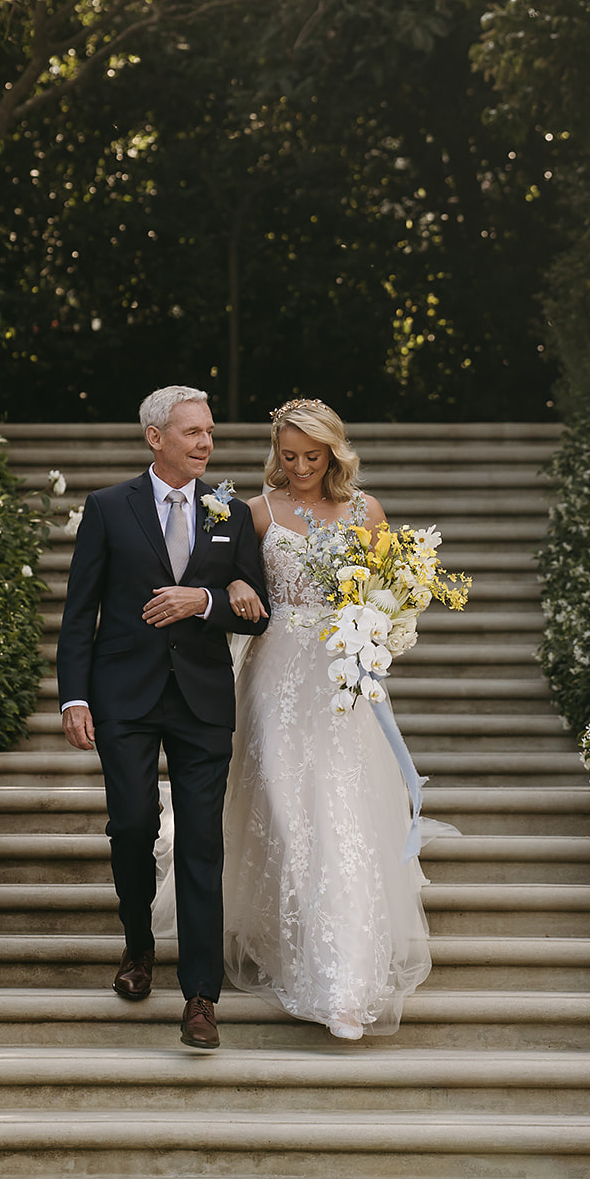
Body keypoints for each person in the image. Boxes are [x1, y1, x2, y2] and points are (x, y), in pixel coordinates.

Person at [56, 385, 270, 1050]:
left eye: (208, 432)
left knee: (202, 842)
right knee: (131, 825)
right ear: (155, 438)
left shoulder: (230, 511)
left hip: (203, 699)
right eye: (191, 433)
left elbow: (258, 602)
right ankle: (138, 946)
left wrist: (205, 599)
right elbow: (78, 611)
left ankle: (200, 997)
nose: (205, 443)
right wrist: (74, 696)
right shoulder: (107, 508)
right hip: (124, 694)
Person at [220, 398, 433, 1040]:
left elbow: (394, 590)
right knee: (289, 813)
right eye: (289, 456)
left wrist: (381, 633)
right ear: (276, 451)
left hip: (342, 678)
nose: (301, 467)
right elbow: (229, 581)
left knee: (342, 815)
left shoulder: (366, 511)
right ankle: (297, 950)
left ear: (334, 454)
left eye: (313, 457)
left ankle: (344, 980)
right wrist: (235, 586)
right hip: (274, 677)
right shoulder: (256, 512)